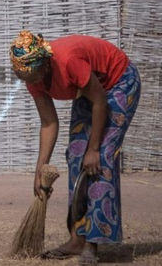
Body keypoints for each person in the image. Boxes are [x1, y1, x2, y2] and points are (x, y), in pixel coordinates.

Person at [10, 31, 140, 265]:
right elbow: (49, 123)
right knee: (75, 155)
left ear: (45, 65)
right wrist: (40, 171)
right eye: (24, 77)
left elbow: (100, 100)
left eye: (32, 76)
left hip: (118, 82)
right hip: (89, 88)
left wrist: (94, 149)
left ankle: (93, 242)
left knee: (100, 159)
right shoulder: (32, 77)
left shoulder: (67, 61)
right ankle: (76, 239)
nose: (30, 82)